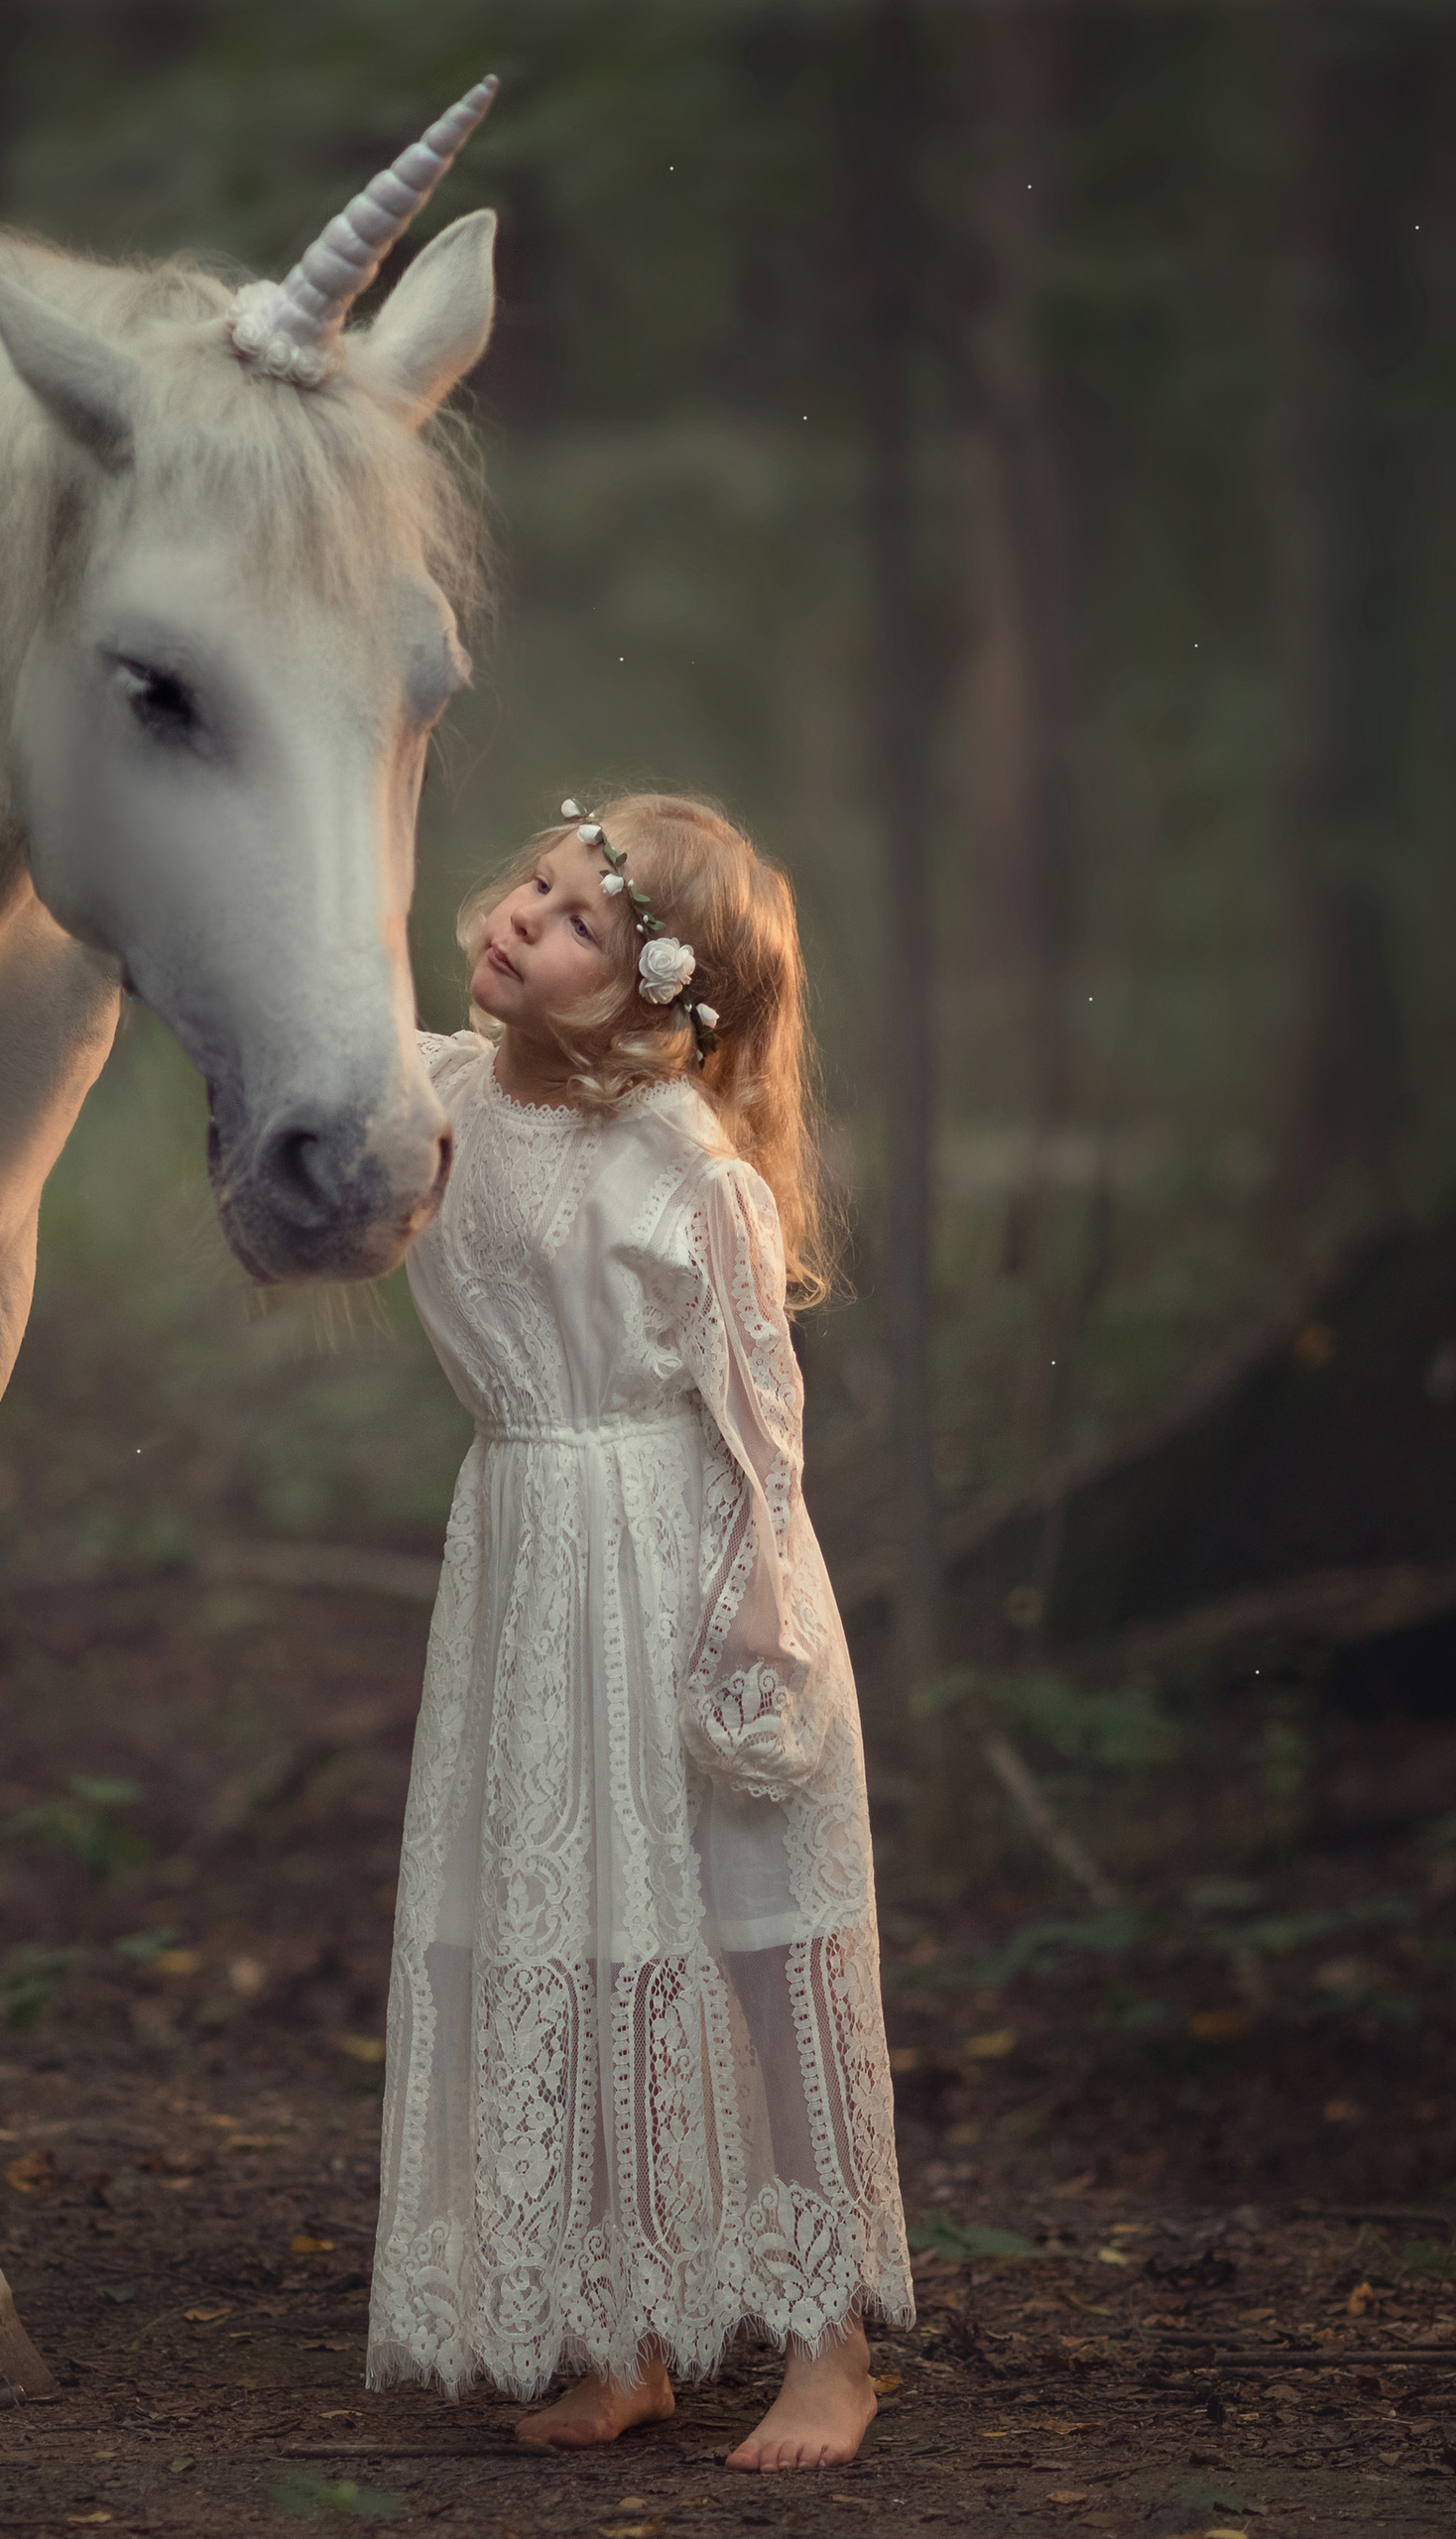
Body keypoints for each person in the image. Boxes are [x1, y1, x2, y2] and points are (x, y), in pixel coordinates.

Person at [365, 791, 913, 2470]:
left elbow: (763, 1421)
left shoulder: (685, 1164)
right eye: (535, 888)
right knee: (571, 1923)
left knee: (749, 1932)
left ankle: (828, 2346)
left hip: (680, 1558)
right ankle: (625, 2332)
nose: (528, 918)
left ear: (659, 995)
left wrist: (755, 1628)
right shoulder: (441, 1095)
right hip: (529, 1557)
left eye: (583, 920)